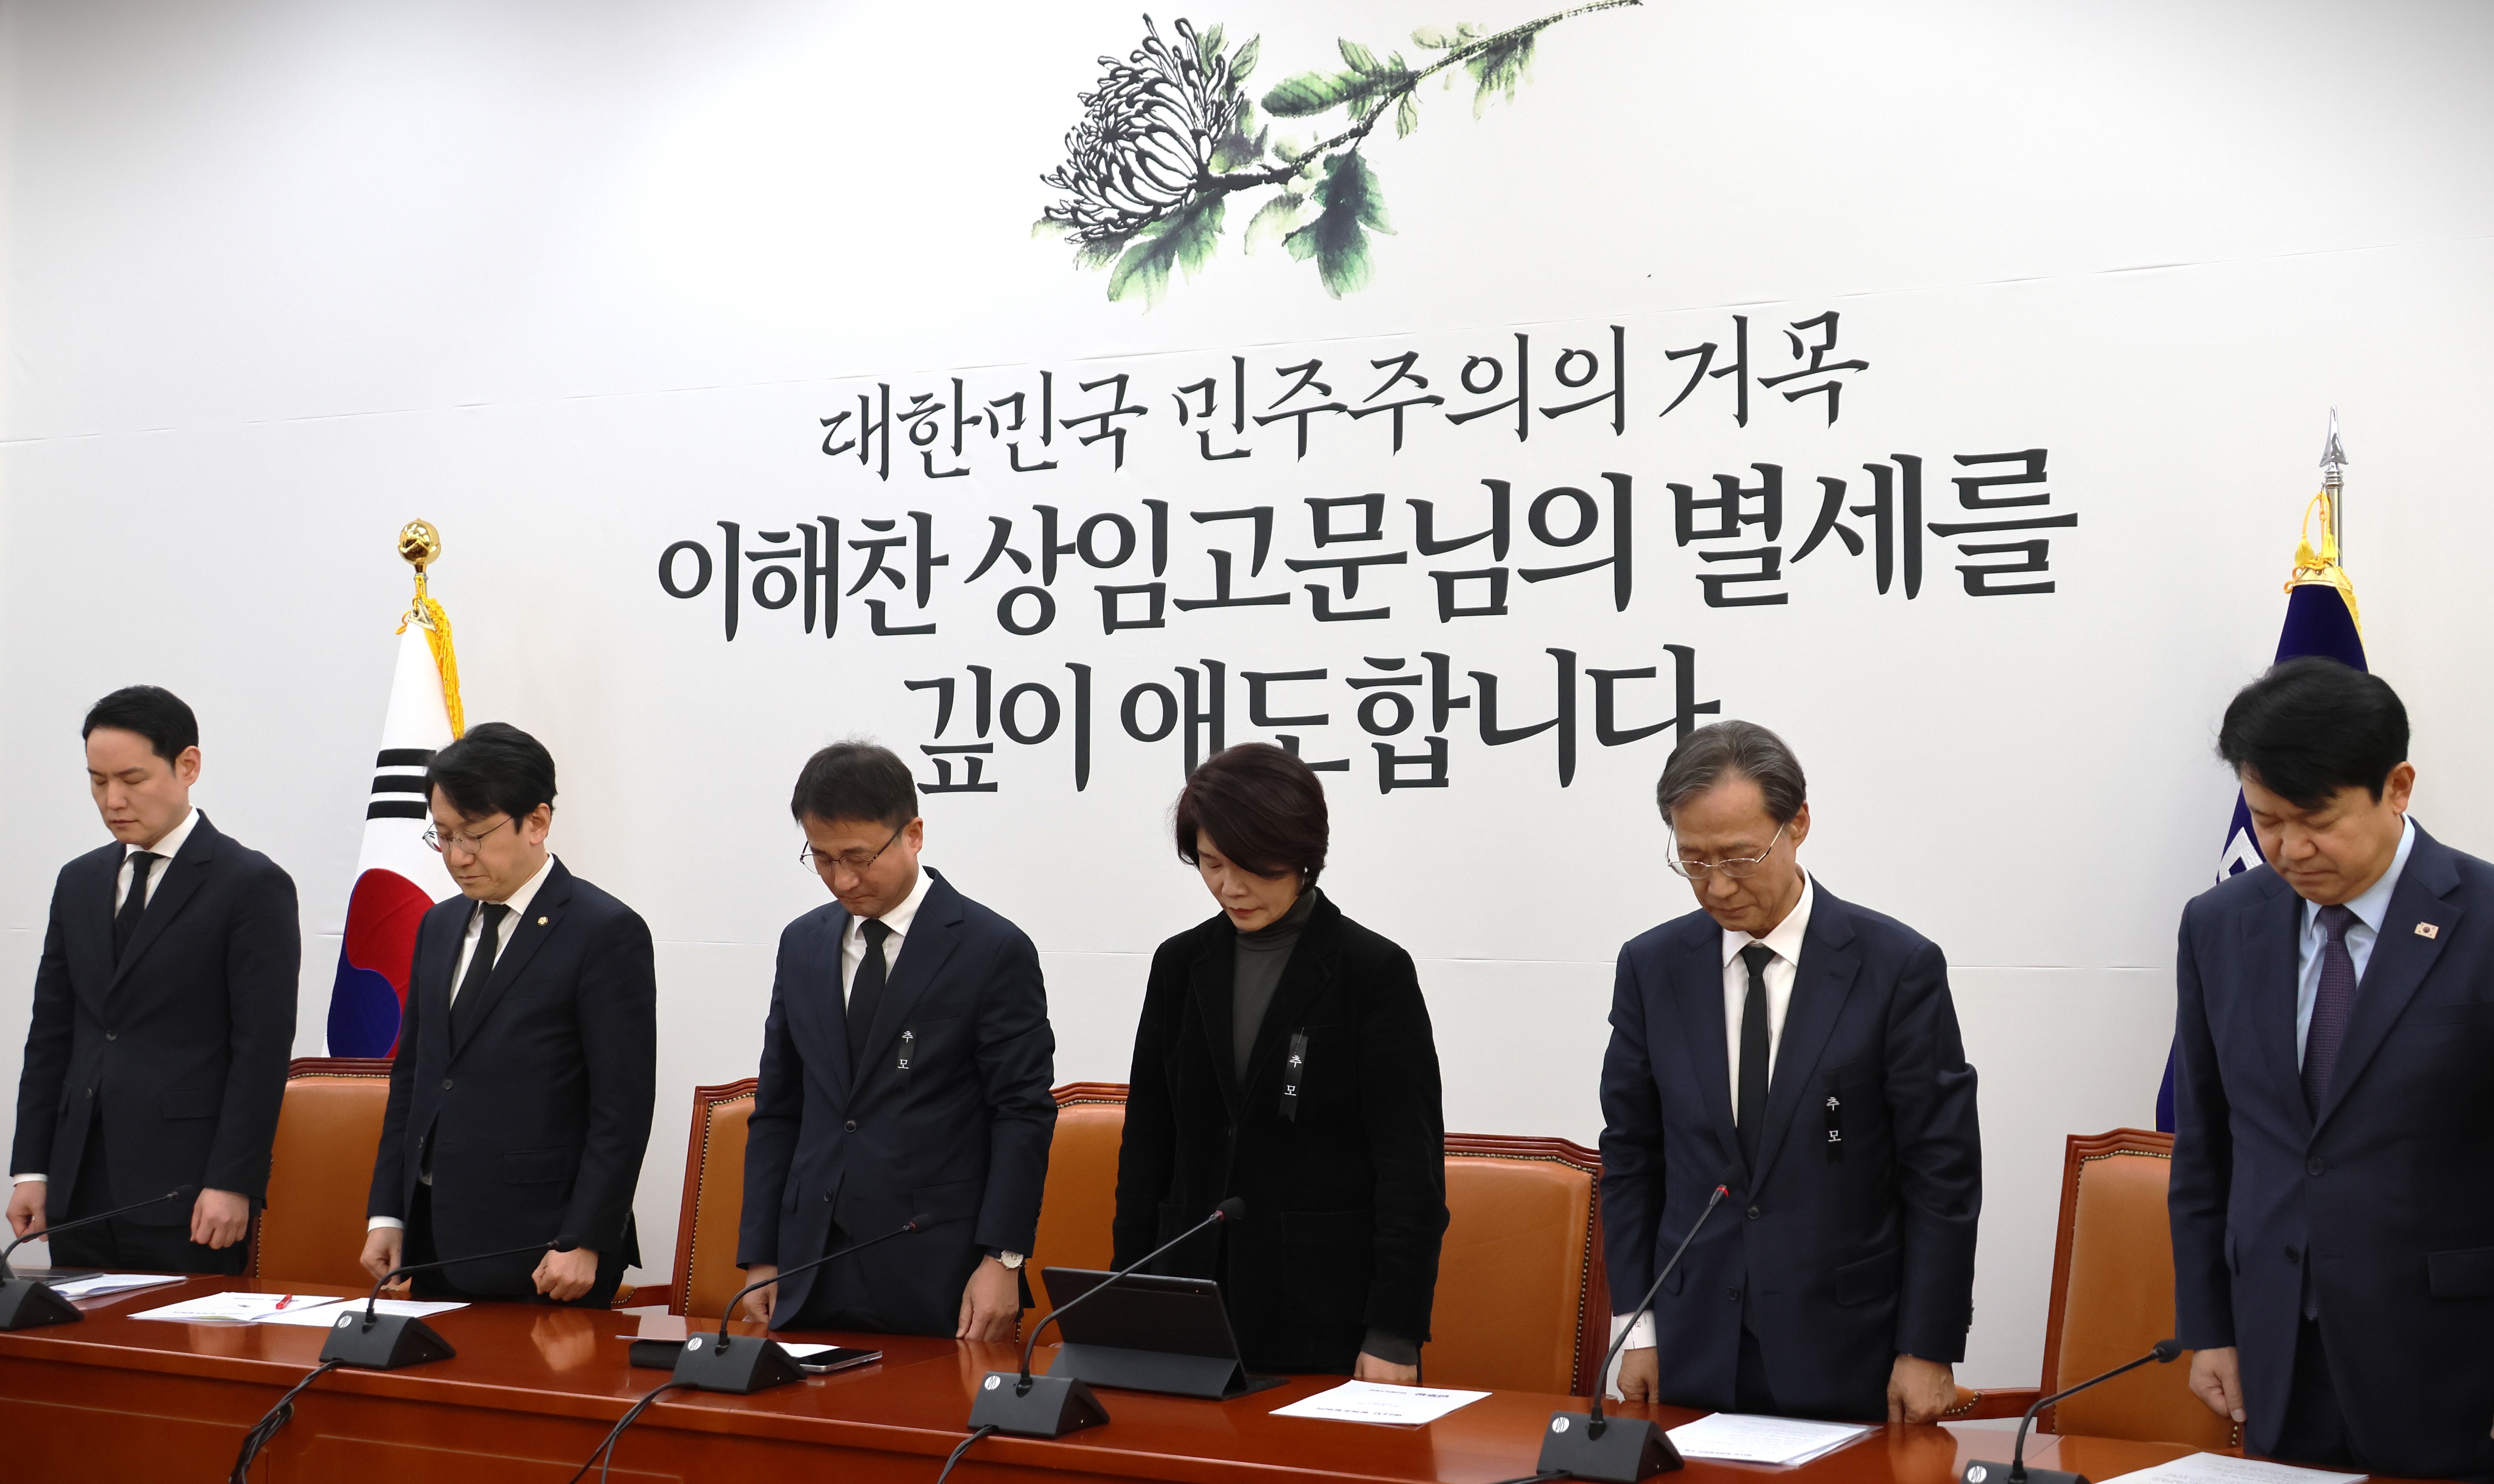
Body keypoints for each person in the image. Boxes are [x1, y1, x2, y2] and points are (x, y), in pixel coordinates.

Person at [2171, 657, 2494, 1480]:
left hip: (2451, 1361)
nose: (2290, 849)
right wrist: (2210, 1326)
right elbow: (2207, 1149)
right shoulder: (2219, 925)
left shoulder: (2485, 918)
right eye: (2266, 820)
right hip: (2276, 1354)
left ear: (2398, 787)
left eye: (2316, 819)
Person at [1602, 720, 1979, 1424]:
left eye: (1740, 857)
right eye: (1693, 860)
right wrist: (1636, 1326)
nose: (1717, 885)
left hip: (1847, 1349)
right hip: (1689, 1346)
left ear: (1798, 823)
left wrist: (1927, 1345)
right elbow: (1631, 1157)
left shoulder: (1896, 968)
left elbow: (1941, 1173)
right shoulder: (1652, 968)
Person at [1114, 743, 1448, 1379]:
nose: (1230, 887)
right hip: (1188, 1294)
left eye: (1252, 867)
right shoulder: (1179, 965)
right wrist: (1129, 1294)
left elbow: (1411, 1170)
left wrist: (1395, 1330)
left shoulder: (1372, 972)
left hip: (1323, 1313)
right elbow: (1147, 1148)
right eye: (1212, 864)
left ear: (1302, 855)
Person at [737, 742, 1056, 1337]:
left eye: (860, 857)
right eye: (823, 858)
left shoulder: (991, 949)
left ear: (914, 833)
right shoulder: (802, 944)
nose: (843, 879)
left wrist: (1004, 1258)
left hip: (936, 1268)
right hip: (809, 1265)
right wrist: (762, 1251)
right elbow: (779, 1107)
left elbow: (1021, 1113)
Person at [360, 722, 654, 1307]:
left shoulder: (604, 931)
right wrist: (389, 1213)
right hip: (433, 1238)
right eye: (444, 836)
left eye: (474, 835)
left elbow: (621, 1107)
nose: (458, 857)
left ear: (537, 822)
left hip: (546, 1248)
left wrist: (585, 1237)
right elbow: (414, 1079)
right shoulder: (439, 924)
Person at [8, 686, 298, 1272]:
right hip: (78, 1187)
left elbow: (261, 1051)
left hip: (187, 1191)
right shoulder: (79, 881)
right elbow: (52, 1034)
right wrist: (32, 1168)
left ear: (188, 765)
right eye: (97, 781)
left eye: (132, 779)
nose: (112, 799)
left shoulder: (250, 884)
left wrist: (232, 1180)